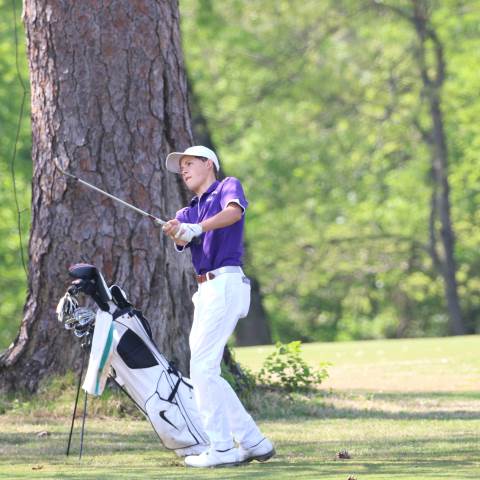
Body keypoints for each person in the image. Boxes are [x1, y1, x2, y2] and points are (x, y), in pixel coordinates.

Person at [162, 145, 275, 468]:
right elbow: (182, 236)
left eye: (188, 164)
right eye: (180, 167)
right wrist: (177, 230)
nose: (183, 171)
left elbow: (233, 213)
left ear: (208, 164)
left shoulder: (227, 186)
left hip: (226, 283)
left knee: (201, 369)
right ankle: (254, 441)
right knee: (205, 371)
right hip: (205, 291)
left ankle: (222, 448)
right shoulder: (188, 211)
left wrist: (198, 228)